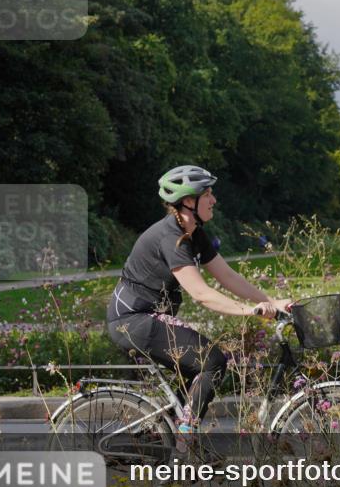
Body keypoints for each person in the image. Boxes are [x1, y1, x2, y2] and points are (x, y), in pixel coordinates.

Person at [106, 165, 290, 450]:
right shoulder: (171, 237)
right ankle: (185, 443)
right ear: (188, 201)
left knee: (201, 368)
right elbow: (201, 293)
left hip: (146, 318)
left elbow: (227, 276)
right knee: (212, 361)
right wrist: (249, 311)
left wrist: (269, 301)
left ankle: (158, 437)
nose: (214, 200)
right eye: (208, 194)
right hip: (133, 320)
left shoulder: (193, 233)